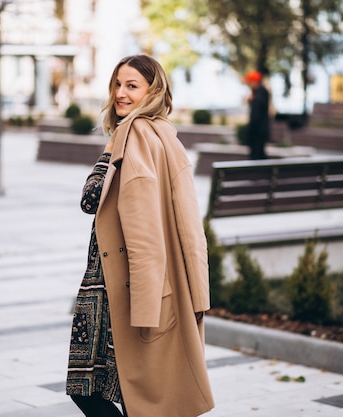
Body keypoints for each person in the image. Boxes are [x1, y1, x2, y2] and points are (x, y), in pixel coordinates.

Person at [66, 54, 215, 417]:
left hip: (118, 285)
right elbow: (190, 226)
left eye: (132, 86)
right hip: (141, 283)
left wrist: (109, 149)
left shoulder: (132, 136)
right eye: (117, 84)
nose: (121, 93)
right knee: (136, 393)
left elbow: (93, 200)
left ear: (153, 90)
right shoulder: (164, 134)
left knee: (88, 388)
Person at [242, 70, 271, 160]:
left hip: (257, 133)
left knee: (256, 157)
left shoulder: (258, 97)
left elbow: (255, 117)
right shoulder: (261, 93)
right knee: (260, 155)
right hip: (260, 132)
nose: (248, 86)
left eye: (249, 83)